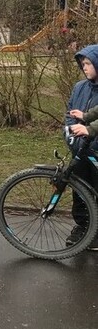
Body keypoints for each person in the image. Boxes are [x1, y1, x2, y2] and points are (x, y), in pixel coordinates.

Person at [63, 44, 98, 251]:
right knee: (80, 190)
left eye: (88, 63)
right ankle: (83, 227)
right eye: (82, 63)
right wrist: (71, 136)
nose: (84, 67)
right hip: (81, 151)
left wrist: (89, 131)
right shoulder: (80, 88)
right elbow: (70, 116)